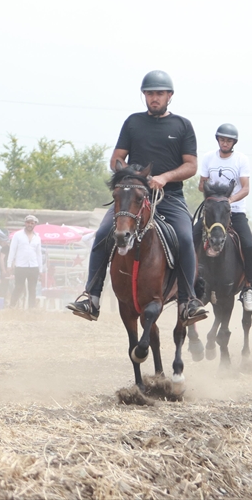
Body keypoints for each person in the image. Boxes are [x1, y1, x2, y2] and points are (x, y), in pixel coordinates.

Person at [66, 71, 208, 323]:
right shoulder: (133, 122)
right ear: (144, 95)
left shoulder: (183, 125)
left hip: (170, 196)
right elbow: (116, 159)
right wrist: (131, 176)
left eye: (159, 94)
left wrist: (163, 177)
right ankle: (92, 297)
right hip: (133, 197)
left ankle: (188, 302)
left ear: (169, 96)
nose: (154, 98)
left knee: (186, 238)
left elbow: (191, 166)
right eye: (150, 93)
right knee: (102, 235)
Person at [196, 123, 252, 310]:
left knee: (248, 244)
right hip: (212, 211)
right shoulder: (208, 158)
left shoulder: (241, 160)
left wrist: (228, 201)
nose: (225, 142)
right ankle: (184, 282)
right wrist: (212, 197)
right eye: (222, 139)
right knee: (190, 237)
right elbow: (201, 185)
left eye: (228, 140)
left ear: (234, 142)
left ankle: (249, 287)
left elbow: (245, 188)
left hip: (234, 210)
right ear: (218, 140)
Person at [7, 215, 43, 309]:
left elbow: (39, 254)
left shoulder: (37, 237)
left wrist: (41, 269)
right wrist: (9, 264)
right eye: (28, 223)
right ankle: (12, 306)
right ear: (25, 223)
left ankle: (31, 309)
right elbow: (12, 250)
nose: (30, 225)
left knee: (32, 289)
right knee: (19, 287)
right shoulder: (18, 235)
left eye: (32, 223)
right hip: (21, 265)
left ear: (35, 224)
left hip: (33, 266)